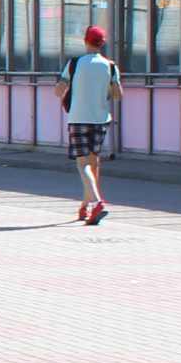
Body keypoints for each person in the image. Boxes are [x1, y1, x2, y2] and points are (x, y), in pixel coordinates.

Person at [63, 24, 119, 224]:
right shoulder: (110, 65)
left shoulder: (75, 63)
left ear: (85, 41)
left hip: (78, 118)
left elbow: (58, 89)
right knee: (94, 164)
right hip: (100, 119)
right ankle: (84, 207)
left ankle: (96, 202)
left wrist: (72, 90)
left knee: (83, 164)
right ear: (102, 44)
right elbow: (118, 95)